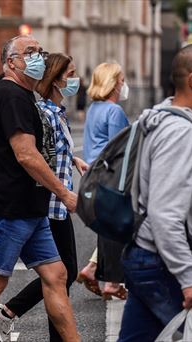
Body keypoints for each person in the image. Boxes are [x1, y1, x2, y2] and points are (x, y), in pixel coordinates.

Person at [118, 44, 192, 342]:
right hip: (164, 263)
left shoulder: (177, 122)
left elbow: (191, 209)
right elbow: (166, 213)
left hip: (148, 256)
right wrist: (189, 278)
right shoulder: (180, 132)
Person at [0, 35, 80, 342]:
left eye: (39, 51)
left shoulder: (24, 95)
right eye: (29, 52)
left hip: (32, 207)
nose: (38, 57)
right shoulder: (11, 95)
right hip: (11, 207)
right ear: (11, 62)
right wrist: (64, 193)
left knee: (57, 276)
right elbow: (26, 154)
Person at [0, 53, 89, 342]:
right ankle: (8, 311)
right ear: (57, 80)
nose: (75, 78)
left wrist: (73, 159)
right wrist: (62, 190)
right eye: (70, 73)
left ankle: (10, 312)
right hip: (49, 201)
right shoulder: (43, 112)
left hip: (57, 200)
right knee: (61, 274)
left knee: (61, 274)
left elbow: (54, 149)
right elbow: (33, 154)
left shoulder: (57, 110)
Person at [77, 62, 130, 300]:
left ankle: (93, 268)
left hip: (93, 175)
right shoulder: (114, 111)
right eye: (121, 80)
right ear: (113, 82)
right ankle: (113, 281)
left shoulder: (94, 108)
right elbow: (119, 151)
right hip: (109, 175)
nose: (123, 84)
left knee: (109, 226)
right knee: (121, 226)